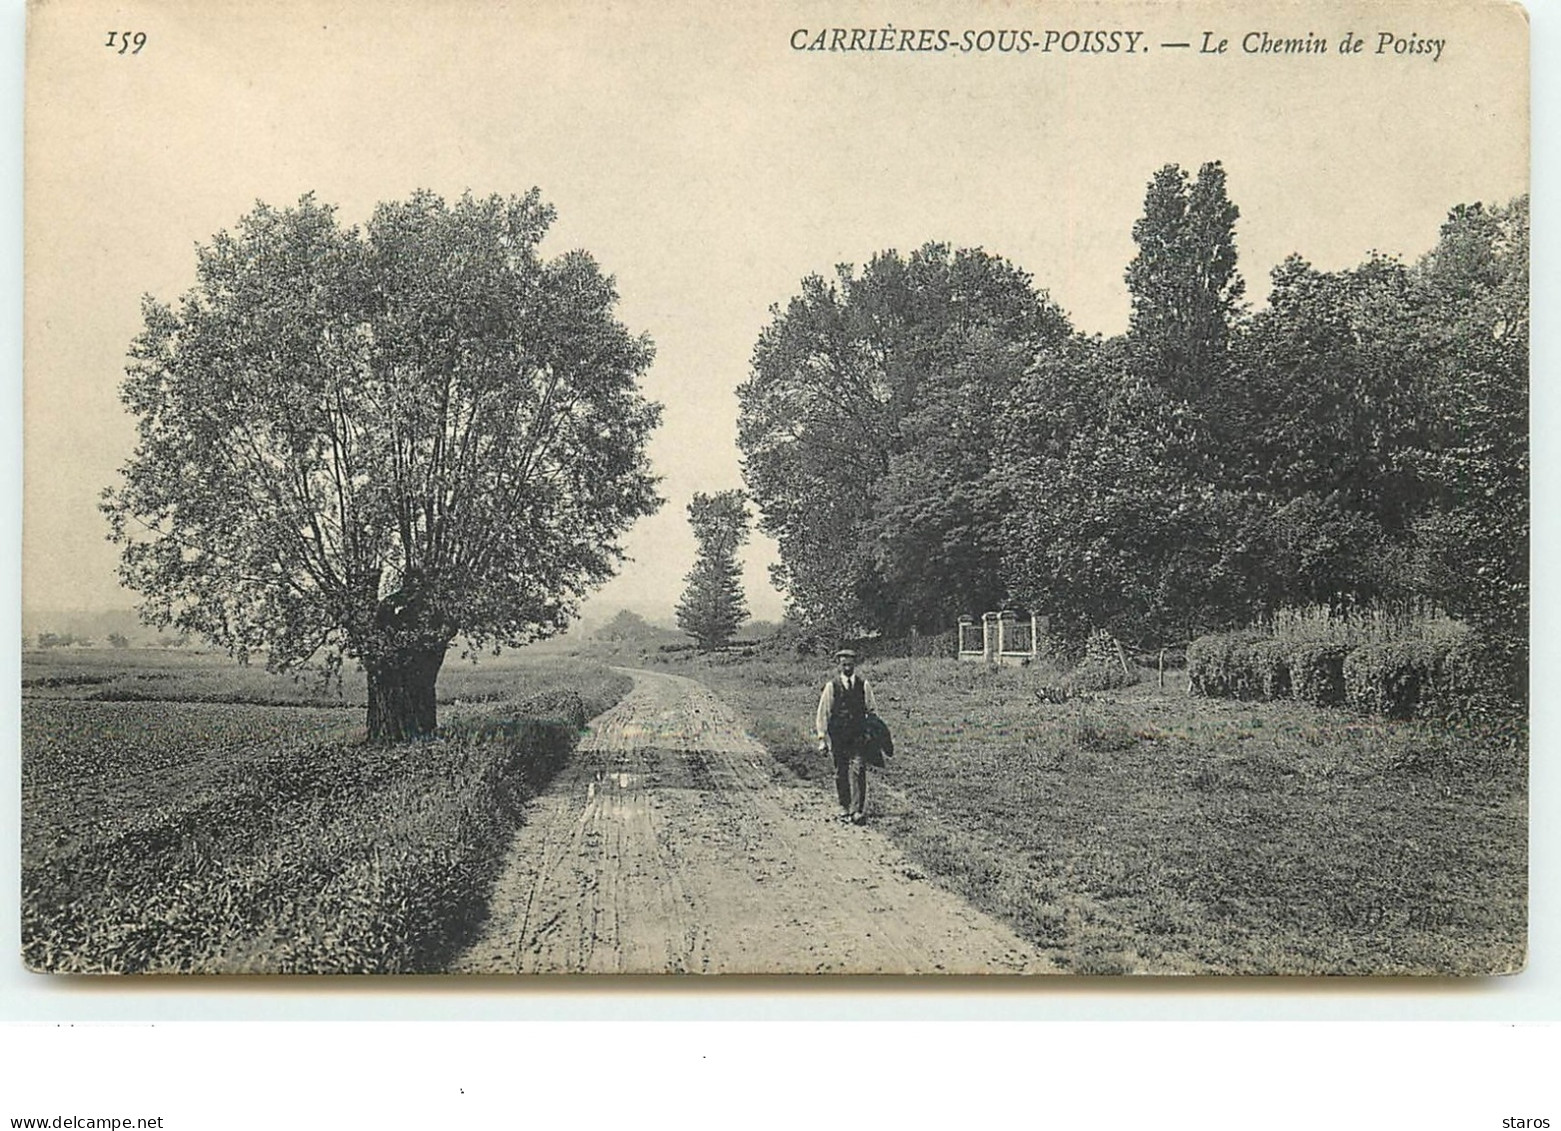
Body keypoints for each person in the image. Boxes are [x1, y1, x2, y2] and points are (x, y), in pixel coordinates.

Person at [815, 648, 878, 825]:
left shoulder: (863, 685)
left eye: (850, 664)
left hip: (858, 737)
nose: (847, 667)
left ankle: (857, 810)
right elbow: (823, 713)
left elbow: (872, 711)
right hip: (839, 737)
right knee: (840, 772)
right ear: (839, 665)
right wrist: (822, 739)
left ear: (854, 665)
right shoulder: (831, 687)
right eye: (844, 664)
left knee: (859, 771)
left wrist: (871, 732)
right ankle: (844, 806)